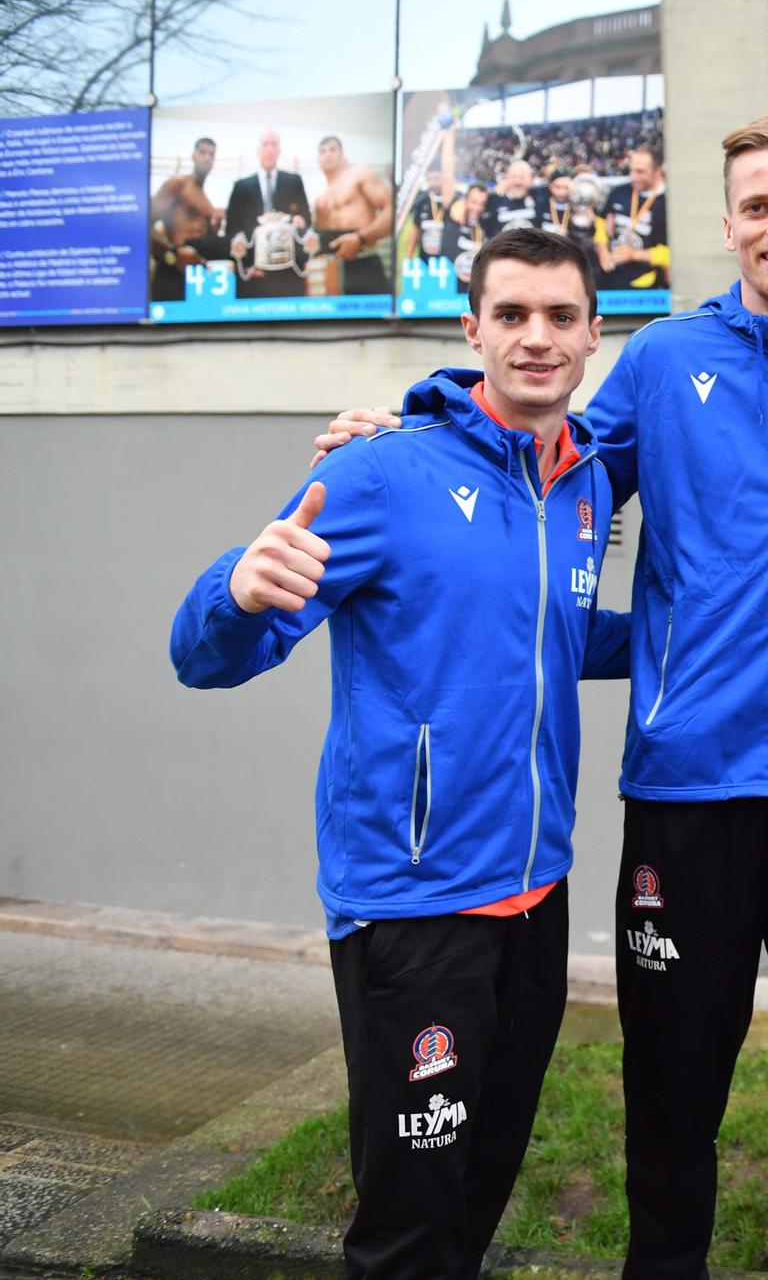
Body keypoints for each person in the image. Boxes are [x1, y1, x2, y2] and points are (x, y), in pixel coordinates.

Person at [314, 110, 768, 1280]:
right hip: (688, 794)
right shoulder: (661, 363)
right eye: (756, 205)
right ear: (726, 222)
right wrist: (413, 426)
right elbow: (532, 453)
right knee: (671, 1093)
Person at [171, 228, 630, 1278]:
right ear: (470, 328)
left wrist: (696, 636)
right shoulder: (380, 472)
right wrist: (235, 592)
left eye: (560, 316)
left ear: (593, 335)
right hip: (414, 904)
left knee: (476, 1192)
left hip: (536, 893)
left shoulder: (584, 485)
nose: (536, 337)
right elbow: (206, 653)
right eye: (510, 314)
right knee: (408, 1221)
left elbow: (551, 636)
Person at [224, 129, 313, 298]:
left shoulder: (294, 181)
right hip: (253, 271)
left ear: (279, 151)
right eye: (265, 144)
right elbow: (232, 229)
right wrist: (247, 264)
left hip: (289, 269)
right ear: (258, 150)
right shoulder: (241, 186)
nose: (270, 148)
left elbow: (307, 219)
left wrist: (300, 220)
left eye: (274, 144)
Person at [310, 134, 393, 294]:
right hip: (332, 271)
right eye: (322, 151)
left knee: (371, 318)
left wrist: (360, 238)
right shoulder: (321, 198)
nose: (327, 154)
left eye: (332, 149)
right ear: (319, 160)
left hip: (363, 263)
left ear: (342, 155)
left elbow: (392, 210)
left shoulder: (360, 174)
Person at [594, 144, 668, 292]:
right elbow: (600, 221)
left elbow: (671, 253)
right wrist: (602, 249)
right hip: (609, 274)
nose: (632, 177)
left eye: (640, 172)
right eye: (631, 170)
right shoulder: (619, 192)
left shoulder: (668, 203)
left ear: (657, 171)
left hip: (644, 282)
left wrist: (635, 255)